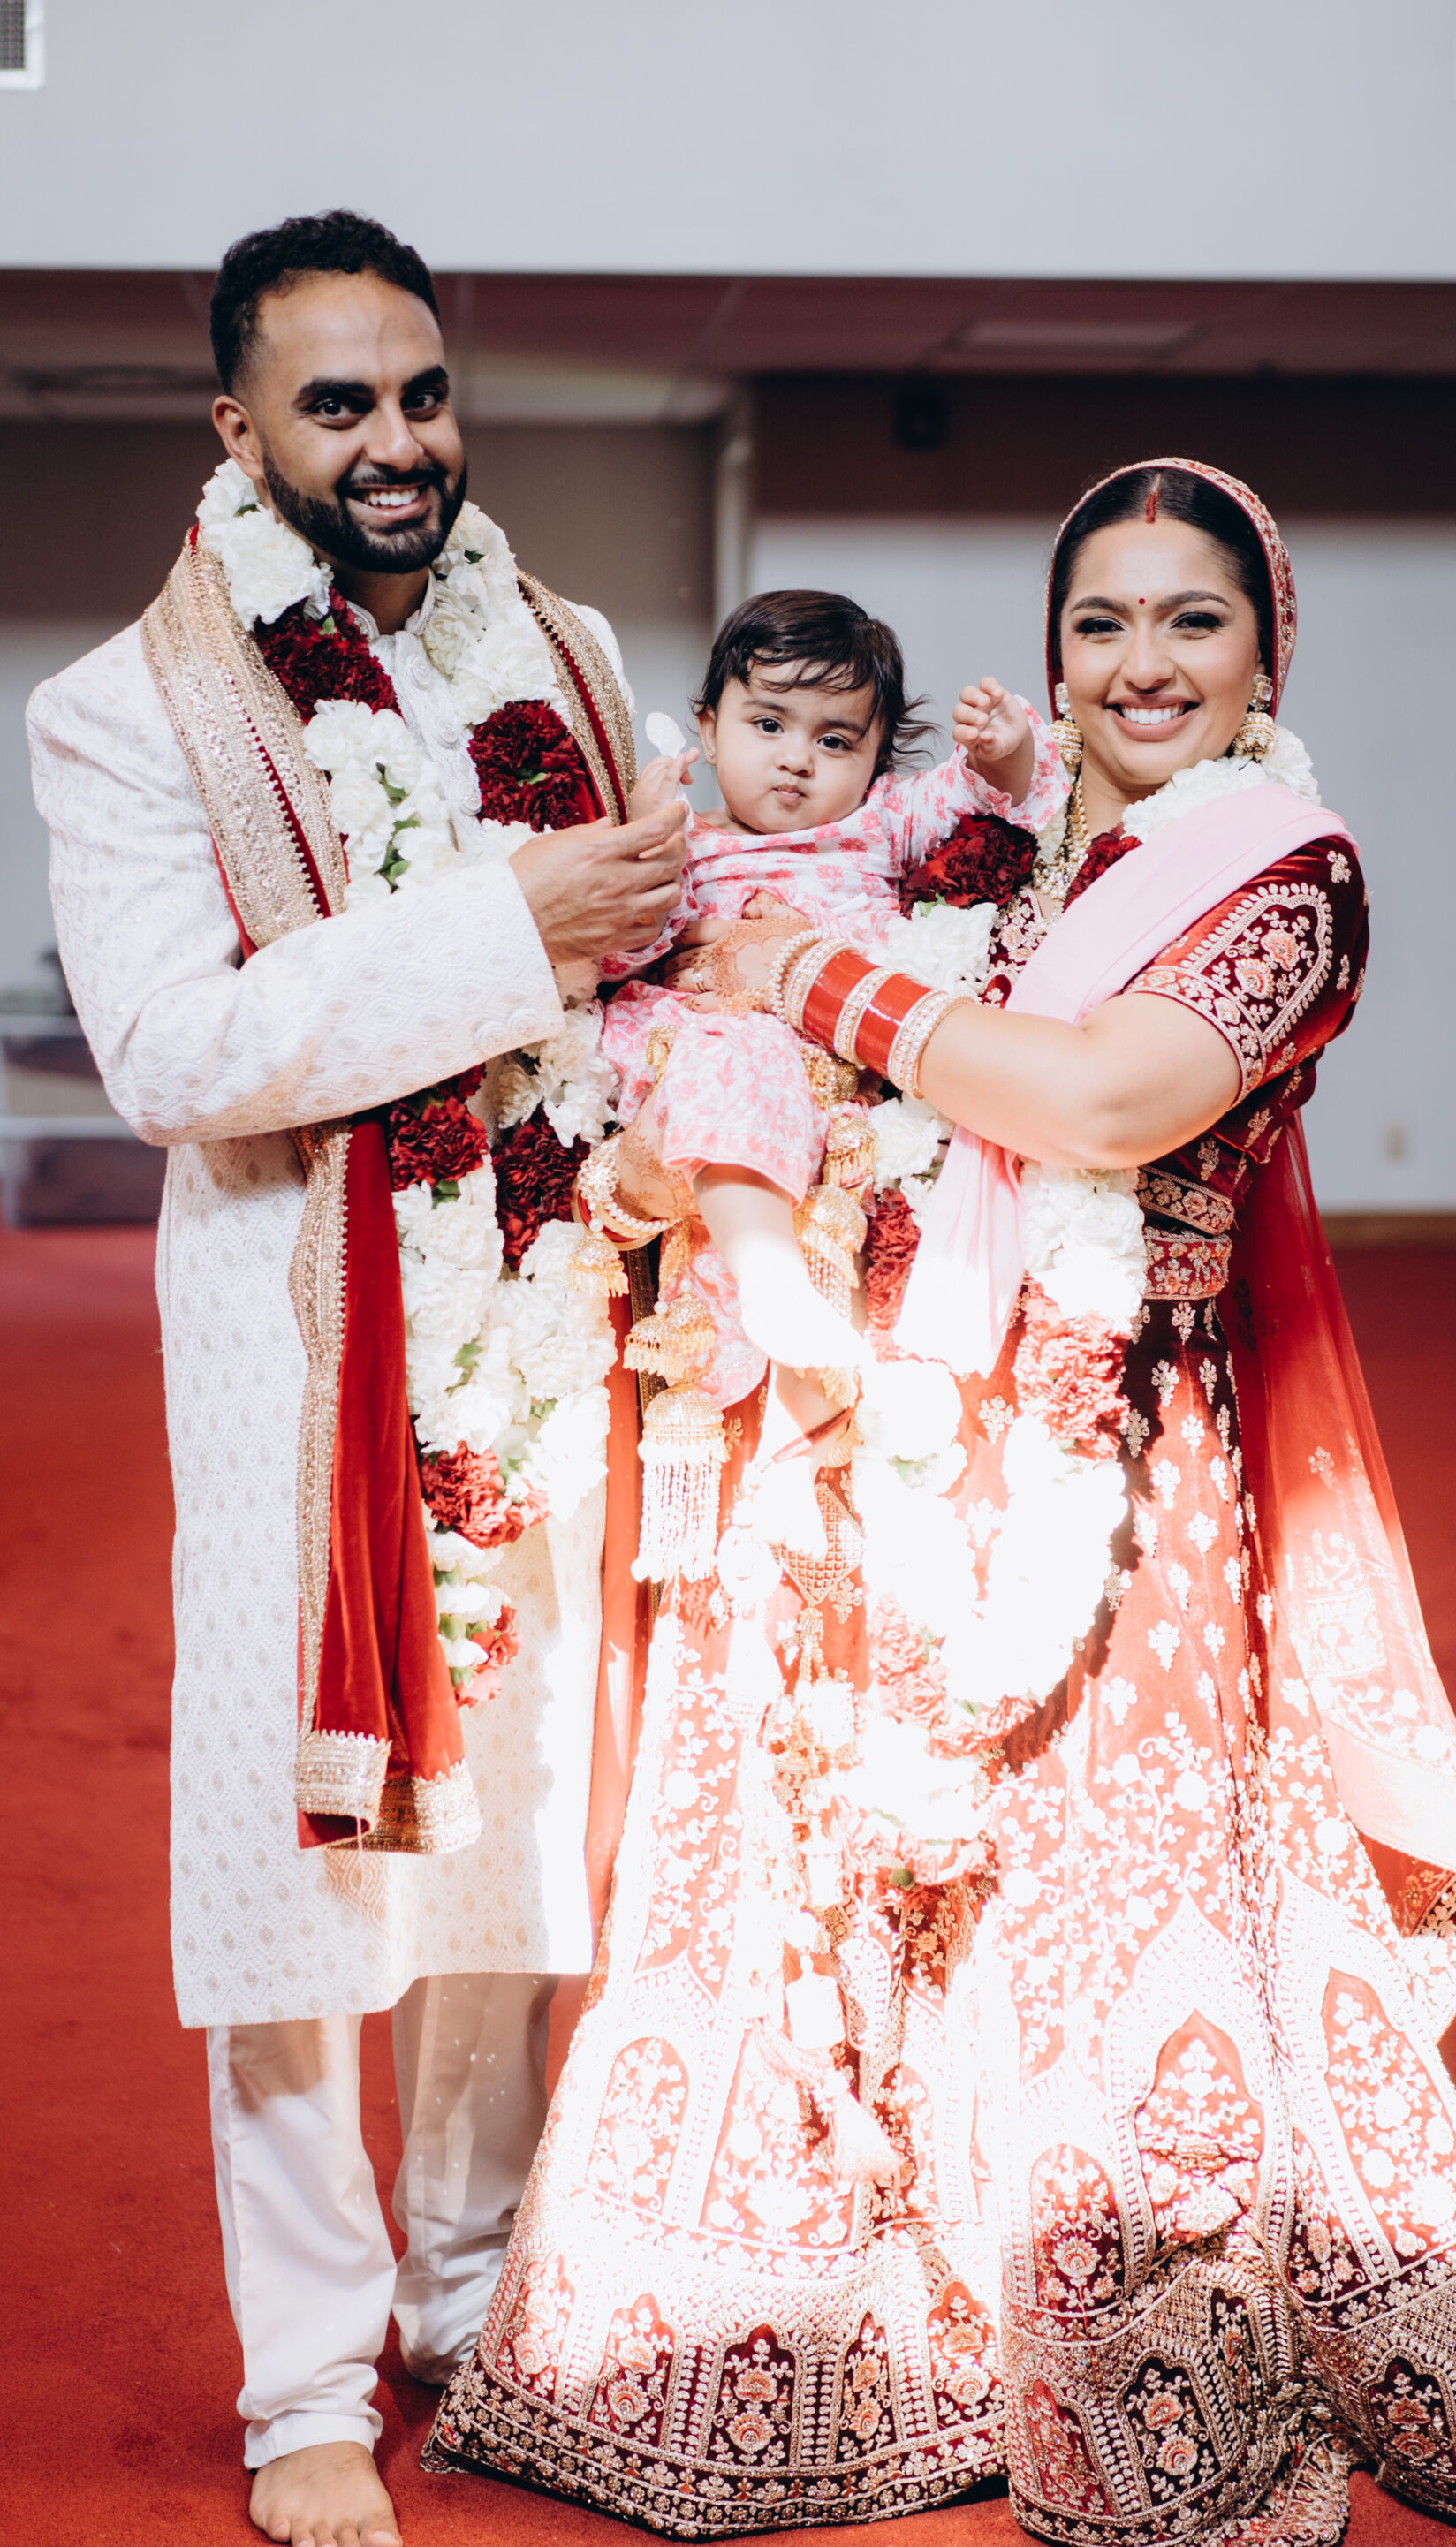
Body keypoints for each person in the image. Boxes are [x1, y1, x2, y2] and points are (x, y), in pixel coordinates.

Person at [427, 460, 1456, 2546]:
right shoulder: (1021, 858)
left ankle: (1128, 2351)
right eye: (1101, 620)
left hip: (1124, 1457)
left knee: (1096, 1892)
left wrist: (800, 983)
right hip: (887, 1410)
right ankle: (859, 2336)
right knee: (851, 1859)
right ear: (1053, 650)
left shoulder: (1283, 878)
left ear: (1268, 652)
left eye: (1193, 618)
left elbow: (1095, 1102)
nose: (1142, 661)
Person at [28, 210, 687, 2547]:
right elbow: (173, 1055)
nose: (397, 440)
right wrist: (512, 932)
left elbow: (672, 937)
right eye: (338, 404)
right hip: (300, 1359)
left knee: (516, 1832)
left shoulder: (572, 655)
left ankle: (472, 2294)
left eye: (420, 392)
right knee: (301, 1873)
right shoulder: (123, 708)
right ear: (241, 430)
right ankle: (307, 2383)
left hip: (549, 1326)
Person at [598, 587, 1065, 1556]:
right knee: (741, 1056)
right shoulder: (689, 845)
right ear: (707, 727)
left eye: (836, 739)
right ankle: (768, 1282)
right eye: (768, 724)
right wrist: (644, 841)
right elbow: (614, 956)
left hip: (846, 1070)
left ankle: (805, 1445)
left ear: (878, 757)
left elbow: (990, 798)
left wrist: (1006, 747)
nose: (796, 759)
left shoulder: (880, 821)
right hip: (720, 1060)